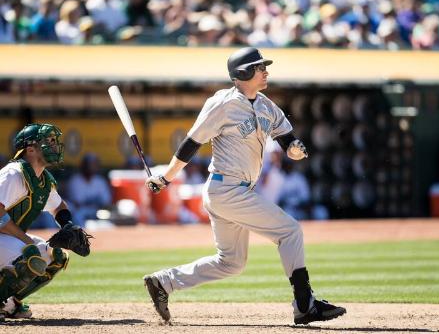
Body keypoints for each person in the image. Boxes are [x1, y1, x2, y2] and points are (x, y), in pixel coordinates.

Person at [143, 47, 346, 325]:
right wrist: (166, 177)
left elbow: (286, 136)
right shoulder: (222, 103)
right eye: (260, 67)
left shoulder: (264, 104)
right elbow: (191, 143)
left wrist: (294, 149)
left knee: (231, 263)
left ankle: (163, 282)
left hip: (236, 191)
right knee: (290, 231)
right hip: (225, 189)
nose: (266, 71)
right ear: (243, 73)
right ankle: (304, 303)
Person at [0, 123, 88, 321]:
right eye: (48, 141)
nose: (54, 145)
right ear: (30, 150)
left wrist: (68, 226)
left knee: (55, 256)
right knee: (30, 256)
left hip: (4, 239)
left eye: (54, 141)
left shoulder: (43, 179)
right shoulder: (14, 174)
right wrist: (27, 242)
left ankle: (10, 303)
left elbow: (59, 207)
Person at [66, 152, 112, 227]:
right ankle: (81, 236)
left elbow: (106, 201)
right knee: (78, 215)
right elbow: (78, 202)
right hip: (81, 210)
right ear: (83, 165)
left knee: (107, 219)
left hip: (97, 210)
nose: (92, 166)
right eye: (89, 164)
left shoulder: (100, 181)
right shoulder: (75, 180)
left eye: (94, 164)